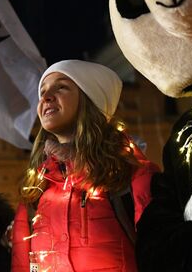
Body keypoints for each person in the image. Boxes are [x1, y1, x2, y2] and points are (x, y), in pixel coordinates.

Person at [11, 60, 159, 271]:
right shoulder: (35, 190)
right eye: (42, 91)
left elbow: (161, 257)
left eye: (61, 87)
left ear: (91, 100)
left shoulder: (133, 176)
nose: (45, 97)